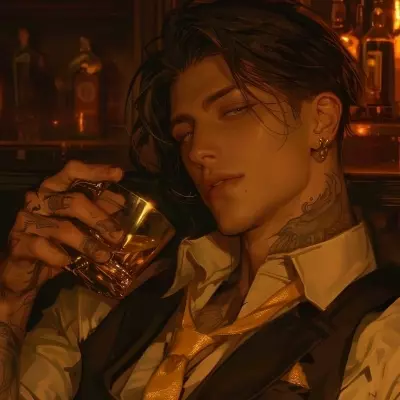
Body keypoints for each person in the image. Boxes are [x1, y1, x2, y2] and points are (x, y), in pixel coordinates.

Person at [0, 0, 399, 399]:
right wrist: (13, 301)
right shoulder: (127, 290)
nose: (197, 150)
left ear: (322, 120)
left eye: (235, 110)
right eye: (185, 133)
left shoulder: (380, 339)